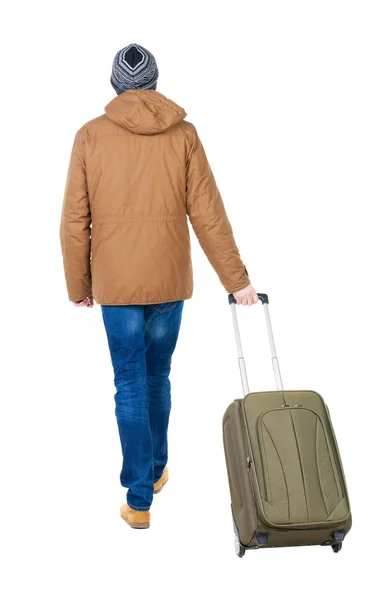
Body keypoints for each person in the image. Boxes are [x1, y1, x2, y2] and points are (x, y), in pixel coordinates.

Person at [60, 43, 259, 529]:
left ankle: (139, 497)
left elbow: (73, 221)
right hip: (169, 282)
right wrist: (239, 283)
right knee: (157, 377)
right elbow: (209, 215)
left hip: (116, 286)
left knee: (129, 382)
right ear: (153, 81)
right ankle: (154, 470)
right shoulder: (184, 135)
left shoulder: (90, 135)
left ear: (115, 84)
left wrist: (78, 284)